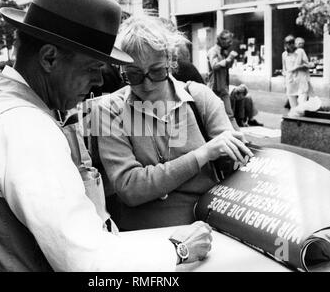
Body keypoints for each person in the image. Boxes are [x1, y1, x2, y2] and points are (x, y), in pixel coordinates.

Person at [0, 0, 213, 272]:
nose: (99, 81)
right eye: (93, 68)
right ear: (49, 57)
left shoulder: (1, 102)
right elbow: (88, 261)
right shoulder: (25, 126)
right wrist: (178, 249)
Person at [96, 15, 253, 231]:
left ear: (170, 61)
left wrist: (237, 151)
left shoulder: (200, 98)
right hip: (143, 238)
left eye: (157, 71)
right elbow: (130, 188)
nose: (147, 84)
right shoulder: (110, 109)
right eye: (133, 75)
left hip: (208, 229)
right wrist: (202, 155)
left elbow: (237, 165)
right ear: (121, 69)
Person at [207, 30, 239, 130]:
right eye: (229, 42)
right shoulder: (213, 51)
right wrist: (229, 59)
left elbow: (226, 67)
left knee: (229, 115)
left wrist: (231, 60)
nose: (231, 44)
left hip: (223, 87)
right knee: (214, 116)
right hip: (214, 88)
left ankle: (240, 138)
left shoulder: (223, 52)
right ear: (222, 40)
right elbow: (214, 66)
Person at [282, 35, 313, 109]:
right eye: (288, 43)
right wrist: (285, 79)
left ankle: (301, 117)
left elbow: (308, 65)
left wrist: (298, 67)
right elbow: (284, 69)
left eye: (292, 43)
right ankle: (295, 118)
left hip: (301, 80)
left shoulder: (300, 52)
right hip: (290, 81)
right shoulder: (284, 54)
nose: (291, 45)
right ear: (285, 44)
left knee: (302, 104)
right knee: (293, 106)